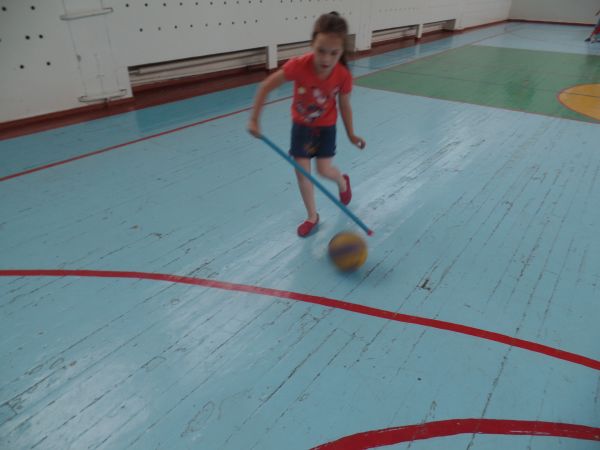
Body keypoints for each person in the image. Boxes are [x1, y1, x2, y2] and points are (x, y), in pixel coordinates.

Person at [248, 12, 365, 237]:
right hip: (301, 127)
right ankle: (312, 216)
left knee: (324, 170)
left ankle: (342, 182)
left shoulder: (343, 75)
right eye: (321, 50)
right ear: (312, 44)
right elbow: (265, 86)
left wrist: (351, 134)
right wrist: (254, 119)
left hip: (326, 128)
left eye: (334, 53)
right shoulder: (298, 66)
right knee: (303, 173)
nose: (326, 59)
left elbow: (345, 105)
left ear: (341, 52)